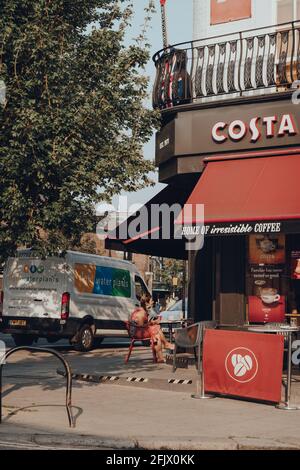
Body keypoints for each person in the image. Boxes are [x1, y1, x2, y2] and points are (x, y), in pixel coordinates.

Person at [129, 293, 174, 363]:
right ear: (147, 303)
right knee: (156, 330)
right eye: (151, 301)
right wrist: (153, 323)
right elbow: (142, 327)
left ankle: (161, 357)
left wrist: (152, 322)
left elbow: (143, 325)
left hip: (138, 331)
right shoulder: (142, 312)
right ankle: (165, 344)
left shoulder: (140, 310)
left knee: (157, 336)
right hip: (137, 333)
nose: (153, 302)